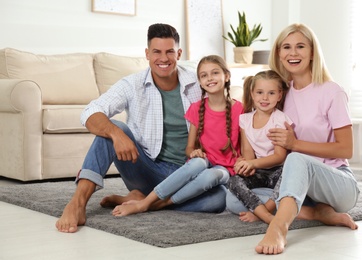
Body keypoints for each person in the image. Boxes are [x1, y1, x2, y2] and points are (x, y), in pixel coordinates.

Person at [55, 23, 227, 233]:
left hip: (187, 173)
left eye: (169, 52)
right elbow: (90, 112)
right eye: (156, 52)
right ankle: (78, 203)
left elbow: (225, 108)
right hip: (146, 168)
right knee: (112, 129)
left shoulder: (198, 81)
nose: (163, 59)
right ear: (147, 54)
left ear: (179, 53)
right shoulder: (132, 85)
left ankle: (145, 201)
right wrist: (117, 134)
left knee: (219, 199)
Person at [252, 23, 360, 255]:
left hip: (338, 182)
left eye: (300, 46)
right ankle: (320, 212)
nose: (293, 53)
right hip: (301, 184)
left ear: (312, 53)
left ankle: (279, 227)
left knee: (297, 158)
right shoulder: (281, 93)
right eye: (286, 47)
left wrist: (294, 145)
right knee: (236, 200)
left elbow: (346, 149)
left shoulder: (332, 91)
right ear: (279, 53)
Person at [111, 55, 243, 216]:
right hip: (202, 165)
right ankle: (146, 202)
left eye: (215, 73)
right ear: (200, 82)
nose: (210, 78)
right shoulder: (196, 109)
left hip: (225, 171)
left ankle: (153, 204)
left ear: (227, 76)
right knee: (197, 164)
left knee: (220, 198)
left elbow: (246, 149)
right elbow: (189, 148)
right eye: (204, 75)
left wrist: (245, 160)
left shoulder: (241, 110)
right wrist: (193, 152)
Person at [227, 70, 292, 224]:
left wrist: (252, 163)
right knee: (233, 181)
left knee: (289, 173)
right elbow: (248, 152)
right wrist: (246, 166)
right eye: (260, 92)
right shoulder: (245, 120)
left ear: (279, 95)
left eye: (271, 93)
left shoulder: (280, 119)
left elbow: (279, 156)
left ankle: (265, 211)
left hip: (277, 171)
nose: (264, 98)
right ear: (252, 93)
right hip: (259, 171)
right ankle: (265, 214)